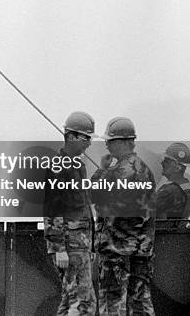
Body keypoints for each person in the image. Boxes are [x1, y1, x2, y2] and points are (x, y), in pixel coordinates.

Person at [91, 117, 156, 315]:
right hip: (141, 251)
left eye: (110, 141)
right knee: (140, 303)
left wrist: (102, 169)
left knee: (113, 304)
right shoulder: (145, 170)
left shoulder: (116, 173)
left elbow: (93, 194)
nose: (107, 145)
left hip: (115, 251)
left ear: (123, 141)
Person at [44, 111, 97, 315]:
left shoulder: (77, 166)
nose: (89, 143)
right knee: (83, 304)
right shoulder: (59, 166)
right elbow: (52, 208)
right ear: (72, 136)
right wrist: (59, 249)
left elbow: (81, 205)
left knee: (69, 302)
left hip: (79, 244)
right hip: (70, 245)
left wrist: (89, 245)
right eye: (86, 137)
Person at [156, 142, 190, 224]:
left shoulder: (170, 190)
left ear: (177, 167)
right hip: (180, 234)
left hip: (164, 235)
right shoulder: (188, 188)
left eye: (166, 161)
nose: (162, 163)